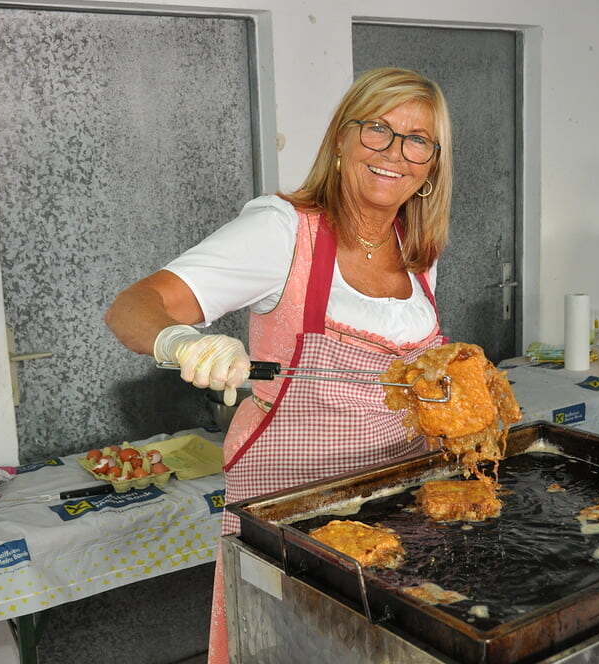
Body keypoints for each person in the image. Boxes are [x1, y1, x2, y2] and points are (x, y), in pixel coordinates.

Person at [104, 67, 453, 663]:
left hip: (396, 498)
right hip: (289, 503)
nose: (395, 152)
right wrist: (182, 344)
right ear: (342, 140)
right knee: (293, 646)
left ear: (432, 165)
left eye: (418, 139)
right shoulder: (284, 230)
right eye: (378, 130)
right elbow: (133, 306)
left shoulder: (415, 248)